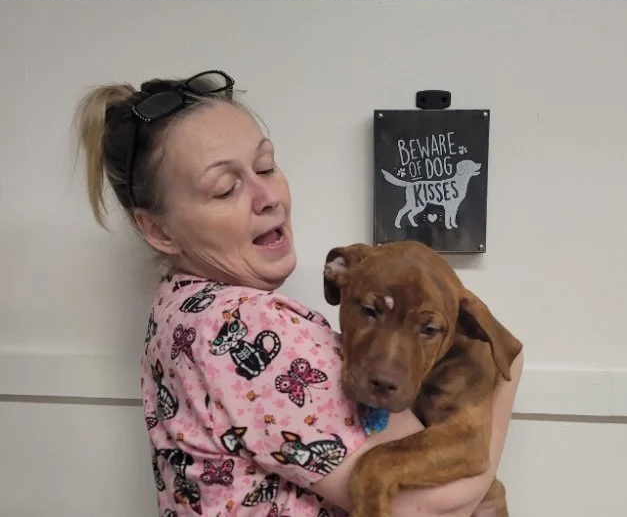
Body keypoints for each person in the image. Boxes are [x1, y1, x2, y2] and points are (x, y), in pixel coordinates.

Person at [73, 69, 519, 517]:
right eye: (225, 189)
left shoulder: (175, 307)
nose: (267, 196)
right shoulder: (246, 325)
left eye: (266, 167)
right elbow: (433, 509)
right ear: (159, 230)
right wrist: (507, 376)